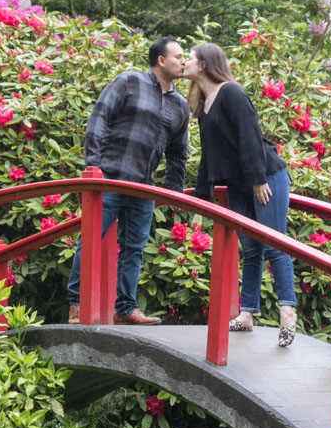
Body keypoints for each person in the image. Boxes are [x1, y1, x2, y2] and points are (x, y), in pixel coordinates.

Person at [67, 37, 189, 325]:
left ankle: (125, 308)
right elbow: (99, 119)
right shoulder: (129, 82)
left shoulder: (180, 105)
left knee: (134, 248)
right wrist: (93, 168)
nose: (184, 62)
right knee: (91, 241)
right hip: (109, 179)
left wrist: (174, 191)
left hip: (144, 186)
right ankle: (76, 306)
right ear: (161, 60)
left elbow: (178, 153)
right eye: (179, 56)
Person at [183, 43, 298, 347]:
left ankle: (287, 311)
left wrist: (258, 179)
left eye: (190, 57)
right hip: (237, 184)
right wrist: (202, 195)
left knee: (274, 242)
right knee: (250, 249)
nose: (185, 61)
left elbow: (250, 134)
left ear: (205, 64)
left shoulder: (231, 93)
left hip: (265, 177)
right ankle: (247, 313)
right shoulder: (204, 104)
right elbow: (210, 154)